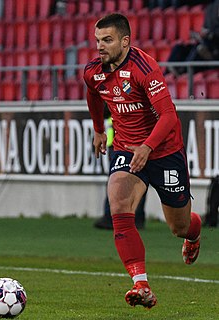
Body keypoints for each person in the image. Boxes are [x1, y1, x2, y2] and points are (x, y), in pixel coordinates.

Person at [84, 13, 201, 309]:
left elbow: (169, 116)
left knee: (179, 226)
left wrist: (148, 147)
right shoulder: (93, 71)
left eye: (107, 40)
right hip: (125, 149)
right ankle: (141, 283)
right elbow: (94, 95)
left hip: (164, 151)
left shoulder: (144, 67)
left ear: (125, 41)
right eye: (98, 40)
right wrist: (99, 129)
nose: (100, 46)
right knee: (119, 205)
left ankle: (194, 232)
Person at [94, 114, 147, 230]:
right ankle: (137, 218)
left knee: (117, 179)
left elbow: (104, 109)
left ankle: (111, 217)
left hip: (121, 141)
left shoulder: (118, 99)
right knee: (138, 178)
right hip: (124, 139)